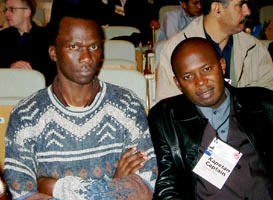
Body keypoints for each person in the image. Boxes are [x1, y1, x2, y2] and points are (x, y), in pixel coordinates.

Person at [4, 11, 157, 200]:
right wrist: (114, 185)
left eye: (94, 46)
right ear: (53, 52)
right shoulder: (26, 115)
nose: (86, 57)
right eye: (74, 46)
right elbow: (24, 194)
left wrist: (54, 186)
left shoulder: (127, 105)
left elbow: (145, 186)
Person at [148, 37, 273, 199]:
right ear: (178, 83)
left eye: (206, 69)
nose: (200, 82)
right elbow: (166, 185)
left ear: (222, 66)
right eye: (188, 77)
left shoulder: (264, 104)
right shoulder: (166, 118)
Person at [155, 0, 273, 104]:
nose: (247, 11)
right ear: (217, 9)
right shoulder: (175, 51)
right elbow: (167, 111)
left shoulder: (254, 49)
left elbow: (269, 103)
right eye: (240, 4)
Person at [0, 0, 56, 86]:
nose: (7, 14)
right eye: (6, 9)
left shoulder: (47, 37)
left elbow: (53, 71)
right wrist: (9, 68)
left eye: (12, 9)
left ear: (27, 12)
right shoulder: (2, 37)